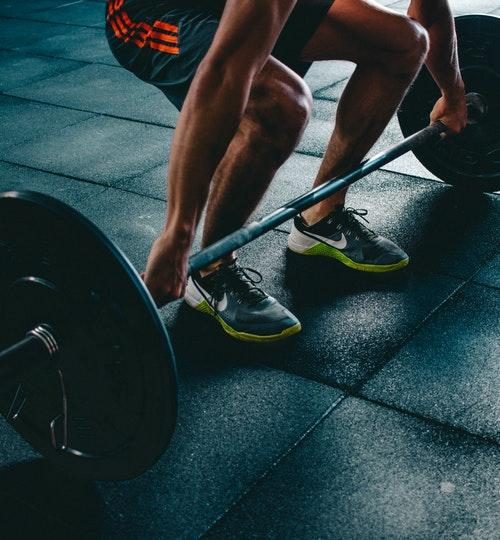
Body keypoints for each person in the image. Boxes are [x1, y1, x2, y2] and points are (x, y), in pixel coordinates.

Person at [106, 0, 467, 342]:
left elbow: (429, 12)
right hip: (153, 11)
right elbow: (226, 71)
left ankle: (321, 216)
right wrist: (177, 235)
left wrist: (453, 94)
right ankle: (212, 270)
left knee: (403, 43)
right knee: (282, 104)